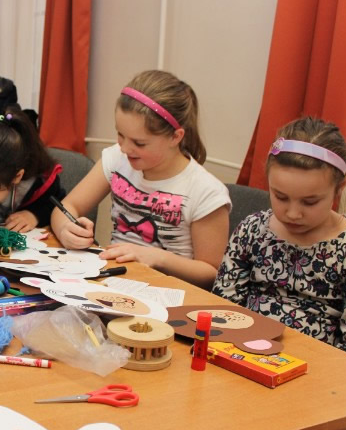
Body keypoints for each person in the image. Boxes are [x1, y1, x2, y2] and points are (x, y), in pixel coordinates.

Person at [51, 70, 230, 288]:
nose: (125, 148)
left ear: (176, 137)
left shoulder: (205, 191)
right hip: (113, 283)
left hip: (169, 295)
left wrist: (157, 257)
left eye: (139, 143)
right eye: (120, 135)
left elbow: (212, 273)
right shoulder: (117, 159)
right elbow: (65, 207)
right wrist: (65, 229)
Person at [213, 117, 346, 361]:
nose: (293, 213)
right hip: (240, 354)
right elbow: (223, 309)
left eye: (310, 202)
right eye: (281, 197)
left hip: (317, 370)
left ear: (341, 187)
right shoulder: (252, 230)